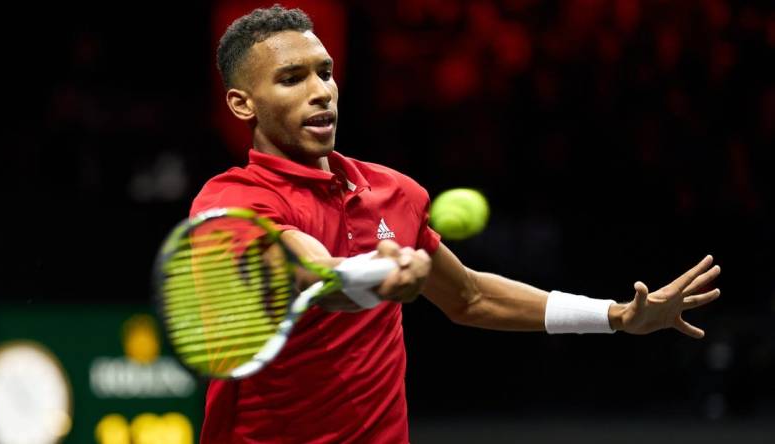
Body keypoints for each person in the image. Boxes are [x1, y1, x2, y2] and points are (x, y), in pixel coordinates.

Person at [191, 5, 721, 443]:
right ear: (242, 104)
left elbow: (468, 297)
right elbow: (307, 272)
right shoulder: (231, 202)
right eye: (291, 79)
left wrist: (615, 316)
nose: (321, 91)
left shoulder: (394, 193)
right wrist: (370, 276)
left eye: (325, 72)